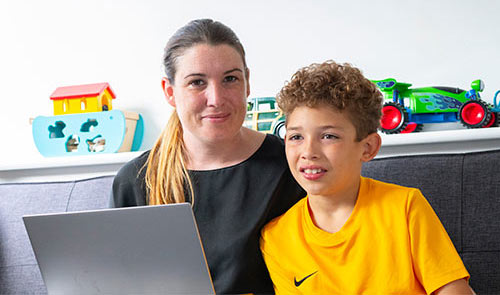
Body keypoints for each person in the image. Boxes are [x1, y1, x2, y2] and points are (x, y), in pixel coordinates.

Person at [109, 19, 304, 294]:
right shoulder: (135, 180)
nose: (216, 98)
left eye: (230, 79)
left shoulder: (291, 164)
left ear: (247, 83)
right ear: (170, 92)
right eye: (197, 82)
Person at [260, 61, 474, 294]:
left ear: (368, 147)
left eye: (329, 136)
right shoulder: (276, 237)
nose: (308, 151)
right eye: (296, 137)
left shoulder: (405, 207)